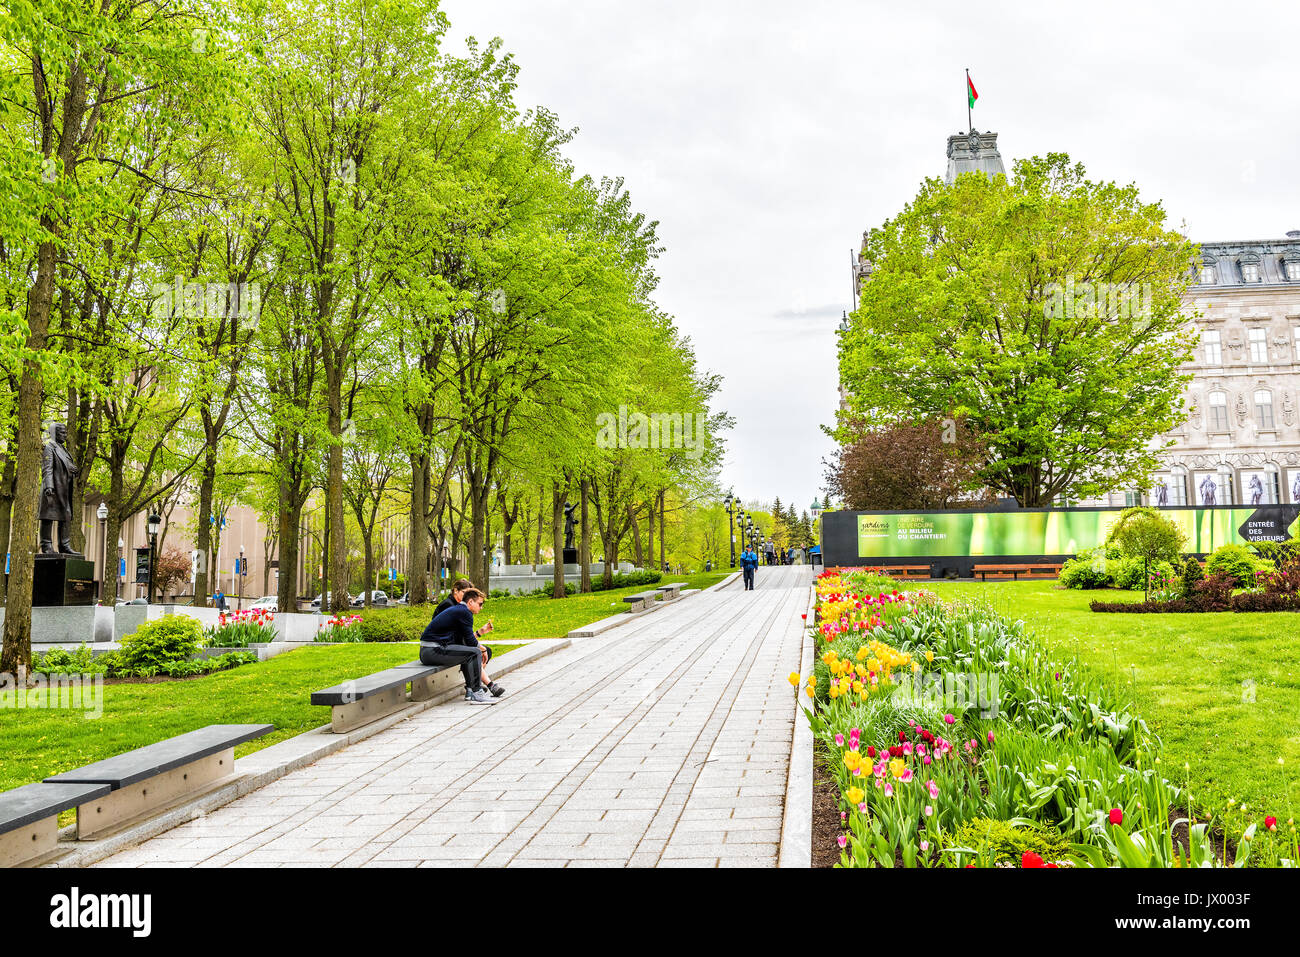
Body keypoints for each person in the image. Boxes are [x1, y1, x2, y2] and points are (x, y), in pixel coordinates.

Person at [420, 587, 500, 704]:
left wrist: (481, 643)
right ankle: (476, 693)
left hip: (430, 650)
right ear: (470, 602)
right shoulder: (464, 612)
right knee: (474, 652)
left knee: (471, 652)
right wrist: (482, 650)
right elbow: (470, 641)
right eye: (480, 604)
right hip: (433, 650)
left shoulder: (460, 610)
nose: (481, 607)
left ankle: (472, 690)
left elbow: (466, 640)